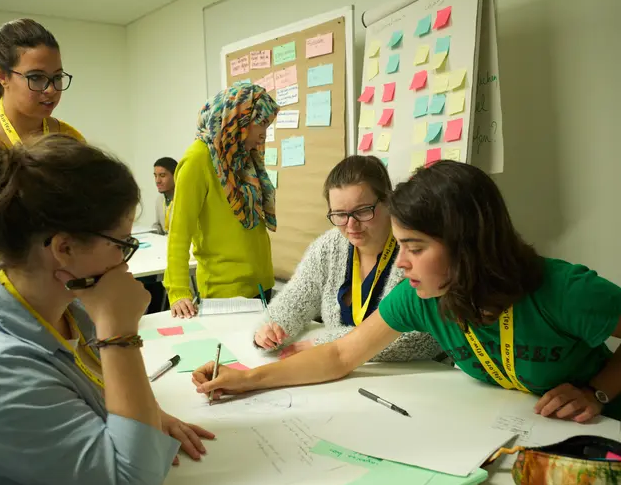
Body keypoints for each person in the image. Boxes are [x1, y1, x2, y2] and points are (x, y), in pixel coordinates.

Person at [193, 160, 621, 423]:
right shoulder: (424, 297)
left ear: (467, 245)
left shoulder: (563, 290)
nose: (401, 262)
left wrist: (596, 391)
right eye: (400, 246)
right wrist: (248, 380)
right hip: (521, 426)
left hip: (603, 429)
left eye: (415, 248)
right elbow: (341, 355)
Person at [0, 129, 214, 485]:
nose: (126, 261)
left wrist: (147, 416)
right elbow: (136, 482)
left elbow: (92, 388)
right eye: (121, 244)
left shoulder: (56, 300)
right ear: (64, 248)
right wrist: (119, 333)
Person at [254, 155, 441, 363]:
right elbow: (295, 299)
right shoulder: (329, 247)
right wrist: (272, 329)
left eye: (362, 211)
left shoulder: (413, 247)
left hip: (410, 374)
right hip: (341, 370)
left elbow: (423, 338)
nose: (351, 225)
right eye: (340, 214)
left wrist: (329, 344)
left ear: (388, 201)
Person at [0, 18, 84, 296]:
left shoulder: (70, 139)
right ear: (2, 76)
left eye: (57, 77)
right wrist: (19, 283)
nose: (51, 89)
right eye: (36, 77)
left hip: (57, 284)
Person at [164, 83, 279, 318]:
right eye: (261, 124)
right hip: (224, 291)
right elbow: (179, 232)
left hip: (261, 284)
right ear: (238, 118)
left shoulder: (242, 156)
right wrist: (178, 291)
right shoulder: (198, 159)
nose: (263, 134)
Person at [151, 156, 178, 235]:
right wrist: (152, 231)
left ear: (175, 176)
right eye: (155, 176)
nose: (157, 181)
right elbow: (159, 225)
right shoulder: (160, 199)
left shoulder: (185, 200)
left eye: (162, 175)